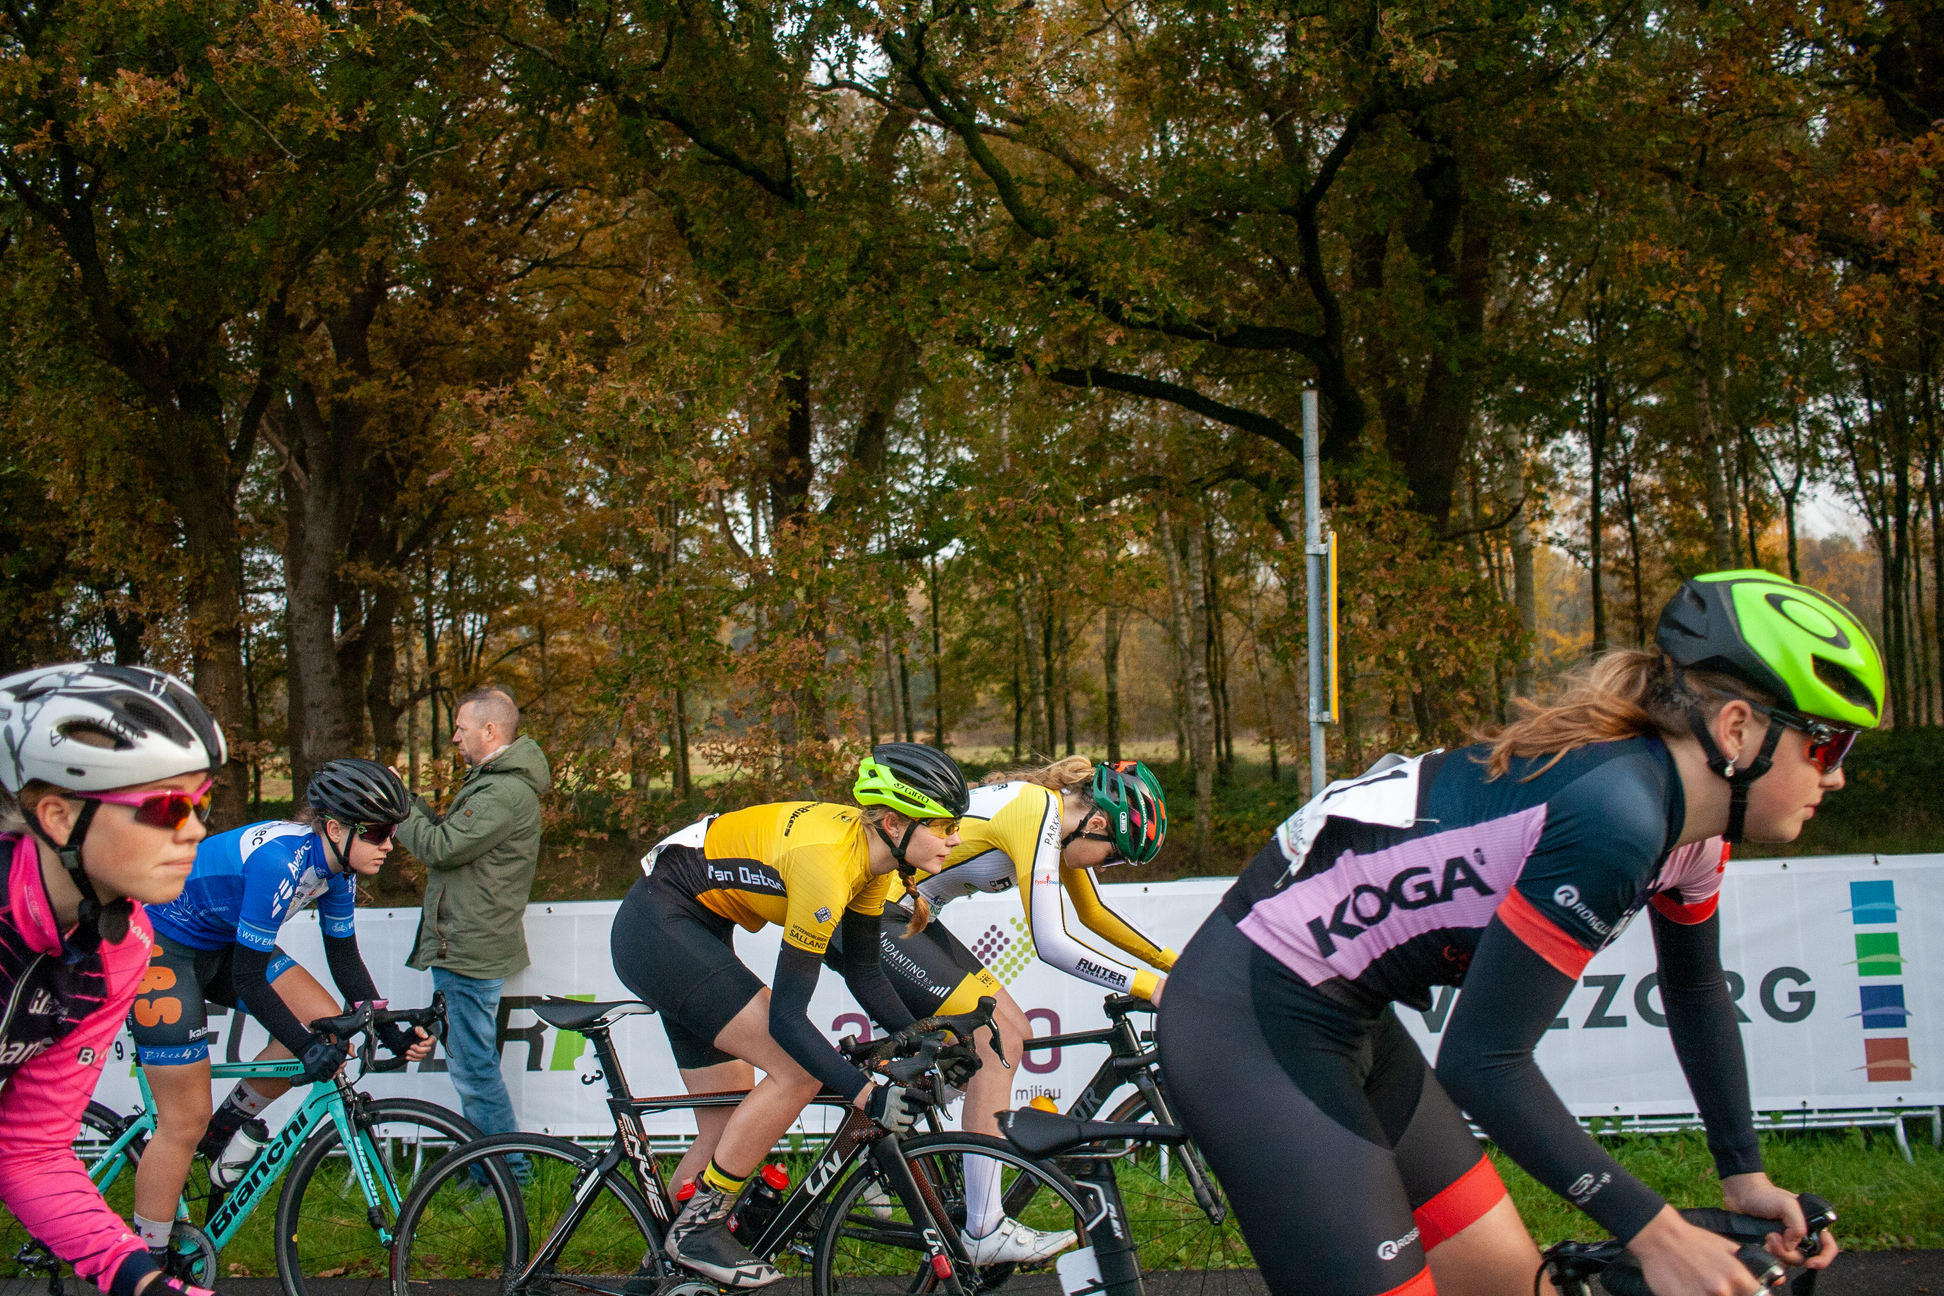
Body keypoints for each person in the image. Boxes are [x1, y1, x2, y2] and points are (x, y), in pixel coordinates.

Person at [1157, 569, 1870, 1296]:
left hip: (1353, 1023)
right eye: (1828, 746)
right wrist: (1657, 1236)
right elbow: (1485, 1062)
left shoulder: (1694, 836)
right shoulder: (1618, 815)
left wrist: (1742, 1172)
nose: (1837, 776)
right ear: (1738, 730)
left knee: (1518, 1289)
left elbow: (1694, 989)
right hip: (1247, 1022)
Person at [610, 743, 970, 1289]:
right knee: (798, 1071)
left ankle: (658, 1280)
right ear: (895, 822)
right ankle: (698, 1230)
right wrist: (865, 1094)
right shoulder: (827, 864)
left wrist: (925, 1038)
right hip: (662, 927)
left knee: (727, 1124)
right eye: (945, 825)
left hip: (685, 929)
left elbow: (866, 973)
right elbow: (788, 1019)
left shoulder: (872, 860)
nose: (956, 838)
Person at [823, 755, 1170, 1261]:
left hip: (899, 914)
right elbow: (1052, 942)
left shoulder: (1053, 820)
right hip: (870, 914)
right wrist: (1149, 987)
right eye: (1114, 856)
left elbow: (1093, 914)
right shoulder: (1038, 812)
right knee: (998, 1038)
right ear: (1096, 824)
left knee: (993, 1040)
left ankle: (868, 1152)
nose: (1107, 866)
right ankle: (984, 1229)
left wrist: (1173, 969)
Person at [129, 759, 431, 1266]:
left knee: (331, 1030)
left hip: (221, 941)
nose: (388, 844)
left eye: (392, 831)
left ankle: (224, 1130)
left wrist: (388, 1026)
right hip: (164, 945)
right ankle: (147, 1267)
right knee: (183, 1120)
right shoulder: (280, 862)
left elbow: (345, 959)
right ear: (334, 827)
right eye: (377, 832)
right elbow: (250, 978)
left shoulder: (338, 869)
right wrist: (303, 1046)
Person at [0, 662, 226, 1296]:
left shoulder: (122, 950)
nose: (197, 829)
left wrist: (143, 1284)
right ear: (58, 815)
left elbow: (30, 1153)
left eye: (202, 803)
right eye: (166, 807)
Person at [397, 687, 549, 1151]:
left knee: (474, 1069)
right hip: (465, 945)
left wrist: (398, 806)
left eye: (461, 729)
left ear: (490, 730)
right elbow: (449, 837)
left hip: (469, 949)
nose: (455, 740)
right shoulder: (493, 782)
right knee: (472, 1064)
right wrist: (405, 801)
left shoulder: (502, 791)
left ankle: (506, 1171)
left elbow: (439, 847)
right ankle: (491, 1167)